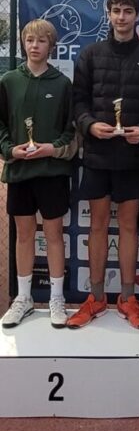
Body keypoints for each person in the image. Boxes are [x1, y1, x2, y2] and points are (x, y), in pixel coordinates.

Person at [68, 0, 139, 330]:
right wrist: (90, 126)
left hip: (133, 156)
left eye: (127, 11)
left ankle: (128, 298)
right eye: (116, 11)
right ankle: (95, 298)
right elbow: (78, 101)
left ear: (137, 16)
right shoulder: (90, 54)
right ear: (108, 15)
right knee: (98, 225)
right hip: (97, 154)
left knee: (129, 226)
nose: (121, 17)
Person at [0, 19, 77, 329]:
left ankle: (57, 298)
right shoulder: (8, 81)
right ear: (23, 43)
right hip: (20, 170)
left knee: (54, 234)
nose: (34, 46)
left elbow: (70, 131)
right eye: (30, 40)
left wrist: (52, 149)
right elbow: (1, 125)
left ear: (51, 46)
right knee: (24, 234)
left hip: (52, 171)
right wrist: (10, 150)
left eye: (41, 41)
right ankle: (24, 298)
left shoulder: (63, 84)